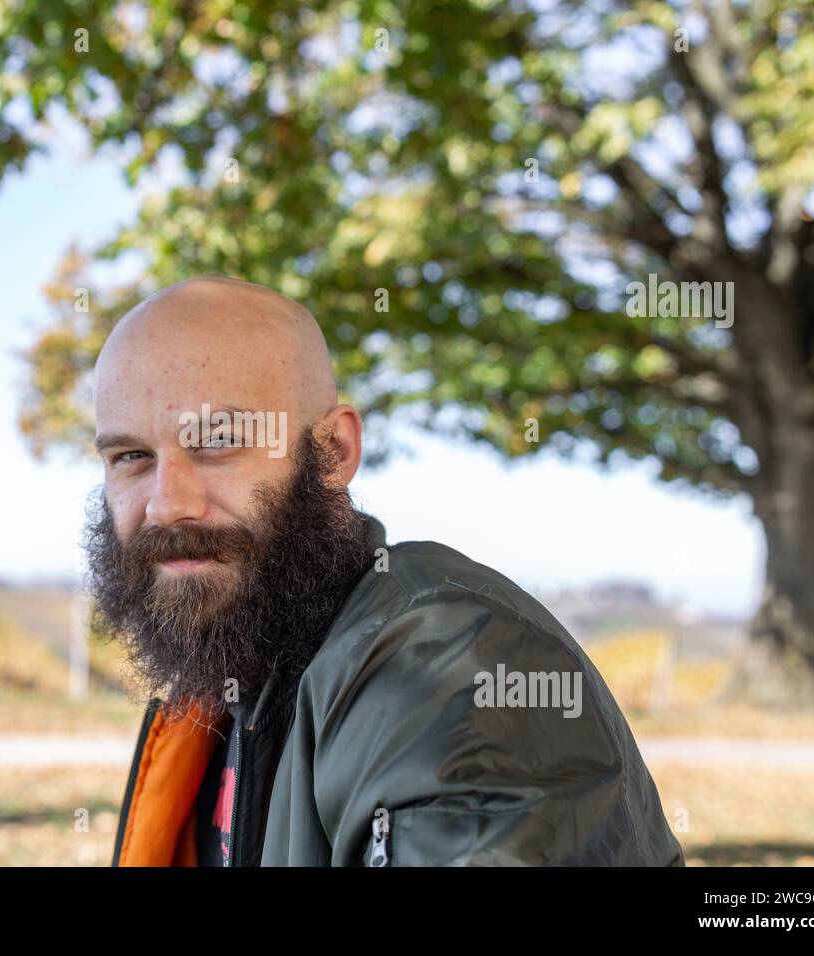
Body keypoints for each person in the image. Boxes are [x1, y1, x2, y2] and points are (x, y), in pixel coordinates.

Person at [85, 274, 685, 866]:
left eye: (219, 440)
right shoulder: (235, 667)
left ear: (335, 453)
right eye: (132, 456)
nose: (166, 504)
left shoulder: (446, 667)